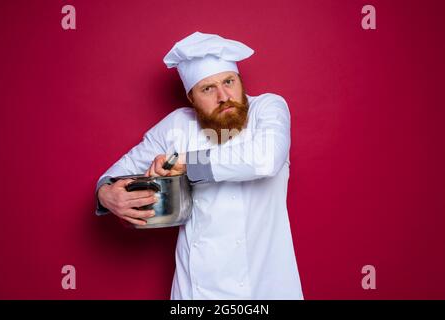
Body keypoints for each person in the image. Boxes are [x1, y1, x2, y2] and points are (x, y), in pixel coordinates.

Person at [95, 31, 303, 300]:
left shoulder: (267, 108)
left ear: (239, 81)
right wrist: (106, 194)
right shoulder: (178, 125)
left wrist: (186, 164)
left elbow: (264, 159)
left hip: (265, 285)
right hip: (196, 290)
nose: (223, 95)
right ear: (192, 98)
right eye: (208, 89)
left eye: (229, 82)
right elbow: (115, 174)